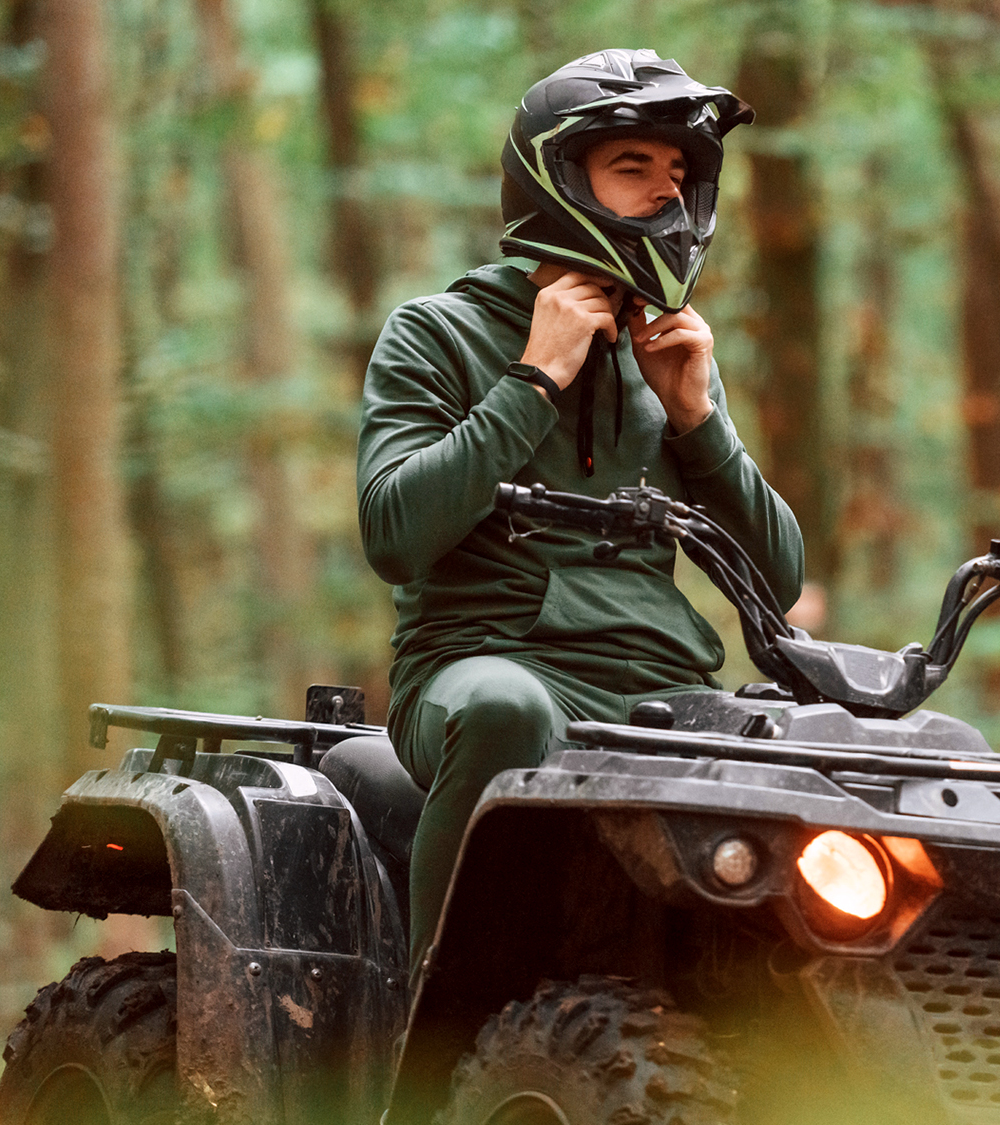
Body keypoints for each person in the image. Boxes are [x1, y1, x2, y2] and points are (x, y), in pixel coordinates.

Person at [355, 49, 802, 973]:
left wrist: (702, 424)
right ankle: (436, 1032)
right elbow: (394, 534)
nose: (667, 196)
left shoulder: (667, 355)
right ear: (557, 178)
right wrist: (533, 378)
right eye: (633, 167)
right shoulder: (437, 331)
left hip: (662, 687)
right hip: (484, 667)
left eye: (677, 173)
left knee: (814, 756)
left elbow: (779, 581)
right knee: (506, 708)